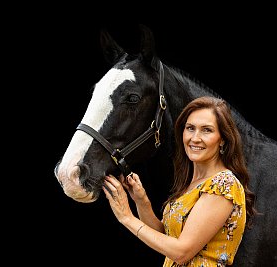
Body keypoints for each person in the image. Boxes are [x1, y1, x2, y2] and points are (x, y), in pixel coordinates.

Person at [103, 96, 256, 266]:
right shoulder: (193, 184)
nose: (195, 138)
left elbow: (181, 252)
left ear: (223, 139)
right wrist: (141, 201)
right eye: (190, 128)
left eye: (207, 130)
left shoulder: (223, 185)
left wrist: (127, 218)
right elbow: (166, 239)